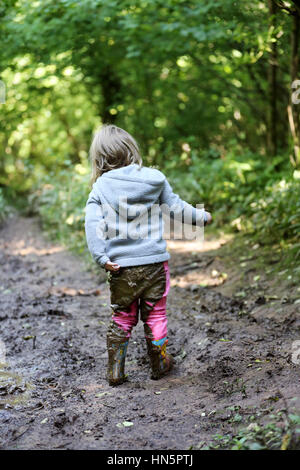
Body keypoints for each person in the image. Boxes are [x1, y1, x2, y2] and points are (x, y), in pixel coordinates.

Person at [85, 124, 212, 386]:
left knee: (122, 316)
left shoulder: (100, 187)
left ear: (99, 157)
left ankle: (116, 370)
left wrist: (101, 257)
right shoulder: (154, 178)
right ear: (131, 150)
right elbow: (176, 207)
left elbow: (92, 224)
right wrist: (201, 217)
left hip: (120, 267)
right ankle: (160, 363)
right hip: (154, 263)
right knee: (155, 315)